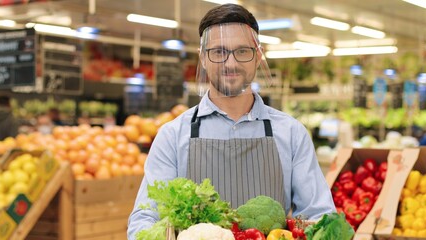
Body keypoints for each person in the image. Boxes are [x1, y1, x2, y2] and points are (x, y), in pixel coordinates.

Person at [127, 4, 335, 238]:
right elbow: (144, 220)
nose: (231, 63)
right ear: (203, 58)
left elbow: (319, 216)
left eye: (242, 51)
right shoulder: (173, 136)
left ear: (258, 56)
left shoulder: (292, 133)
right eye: (218, 52)